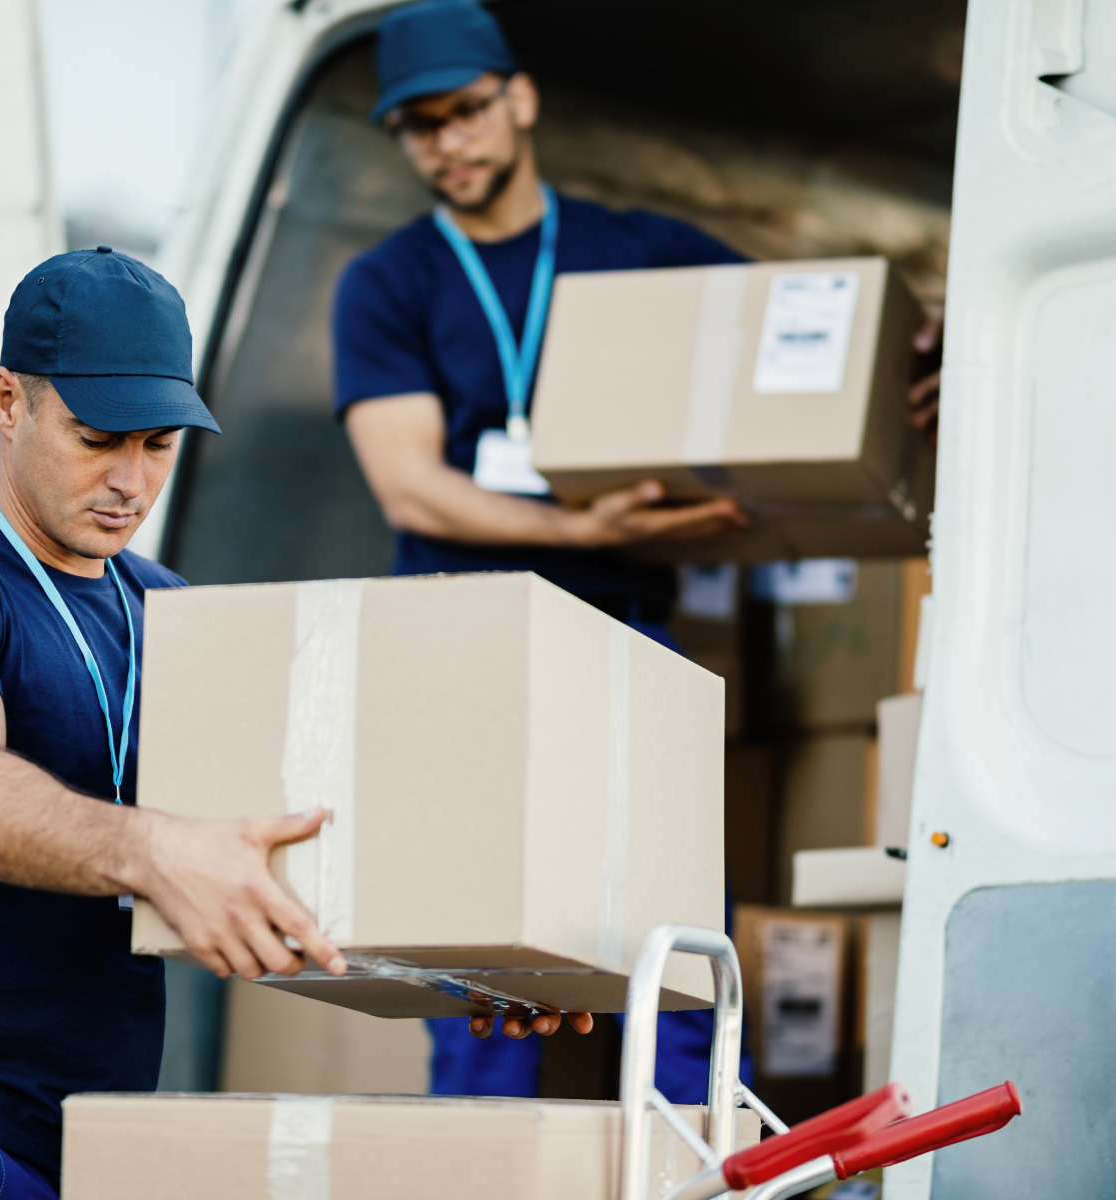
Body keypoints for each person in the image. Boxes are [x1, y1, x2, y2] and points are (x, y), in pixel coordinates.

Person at [0, 248, 347, 1197]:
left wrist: (477, 974)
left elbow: (276, 846)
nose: (132, 484)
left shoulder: (171, 607)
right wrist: (154, 853)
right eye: (98, 438)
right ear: (9, 401)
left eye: (159, 446)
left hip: (100, 1140)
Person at [331, 0, 756, 1103]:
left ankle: (696, 1165)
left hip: (623, 639)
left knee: (671, 952)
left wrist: (921, 323)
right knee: (482, 972)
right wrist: (581, 528)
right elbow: (409, 480)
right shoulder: (388, 281)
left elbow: (788, 335)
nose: (446, 143)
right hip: (459, 647)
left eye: (465, 111)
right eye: (417, 126)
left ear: (519, 98)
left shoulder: (640, 250)